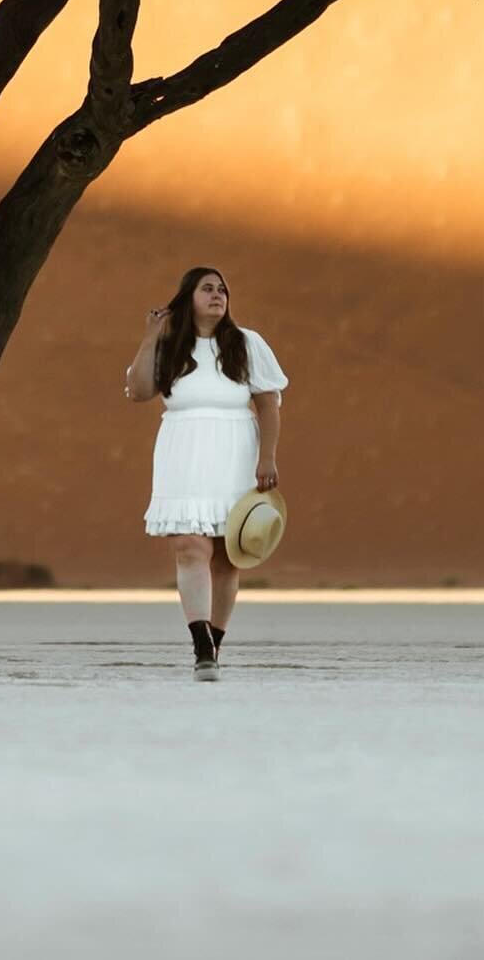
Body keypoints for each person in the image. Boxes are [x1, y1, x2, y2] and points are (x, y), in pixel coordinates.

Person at [123, 264, 288, 679]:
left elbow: (268, 405)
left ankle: (216, 642)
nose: (217, 295)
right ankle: (202, 649)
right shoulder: (170, 349)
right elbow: (140, 391)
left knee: (228, 556)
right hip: (183, 452)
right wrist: (148, 339)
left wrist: (267, 458)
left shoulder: (247, 343)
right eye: (207, 289)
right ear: (188, 299)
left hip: (235, 452)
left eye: (222, 290)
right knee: (189, 547)